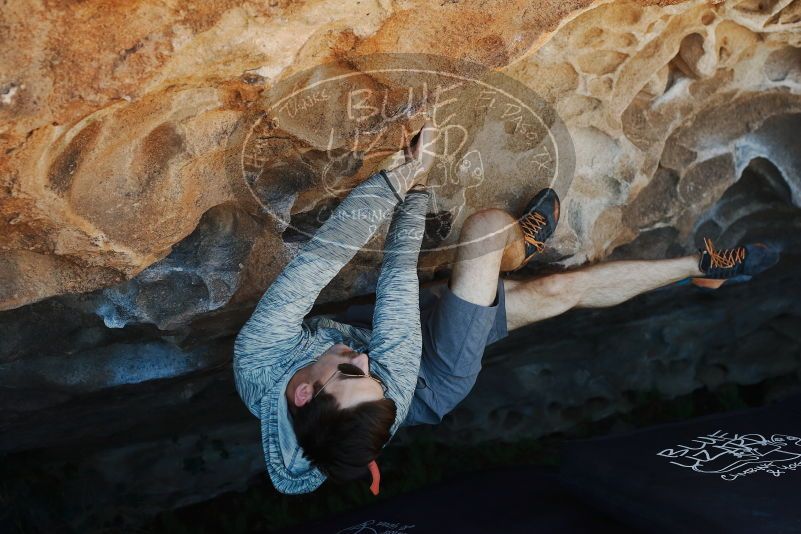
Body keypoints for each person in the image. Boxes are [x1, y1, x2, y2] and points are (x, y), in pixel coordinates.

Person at [233, 119, 780, 495]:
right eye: (362, 375)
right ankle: (520, 250)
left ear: (302, 392)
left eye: (353, 370)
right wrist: (417, 191)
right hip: (431, 374)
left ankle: (694, 271)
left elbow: (326, 261)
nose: (364, 361)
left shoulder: (258, 357)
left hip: (390, 335)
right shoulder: (390, 390)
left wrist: (401, 178)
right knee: (487, 232)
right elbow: (390, 296)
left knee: (553, 294)